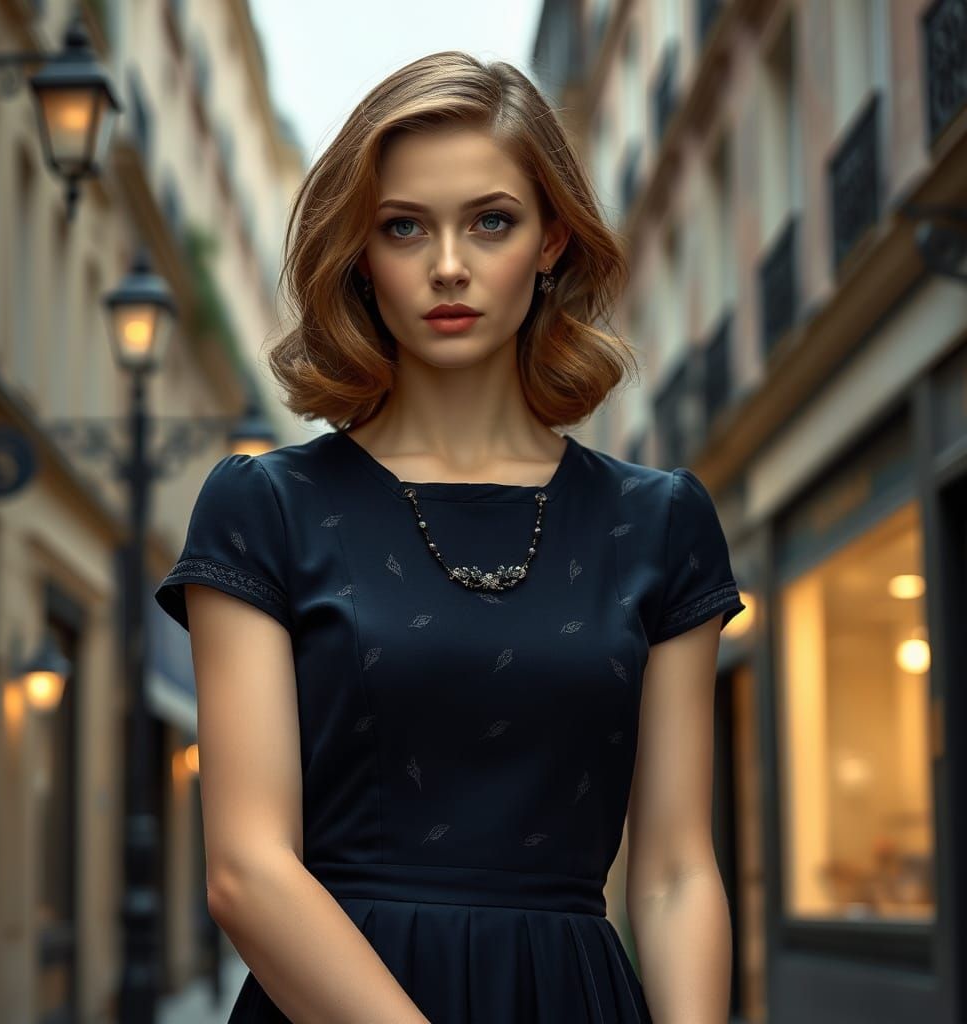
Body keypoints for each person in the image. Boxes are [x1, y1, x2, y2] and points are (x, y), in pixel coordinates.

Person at [154, 49, 746, 1024]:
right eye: (402, 227)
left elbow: (677, 870)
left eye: (491, 221)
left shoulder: (659, 521)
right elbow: (247, 870)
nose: (448, 266)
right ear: (359, 251)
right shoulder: (265, 505)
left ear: (551, 240)